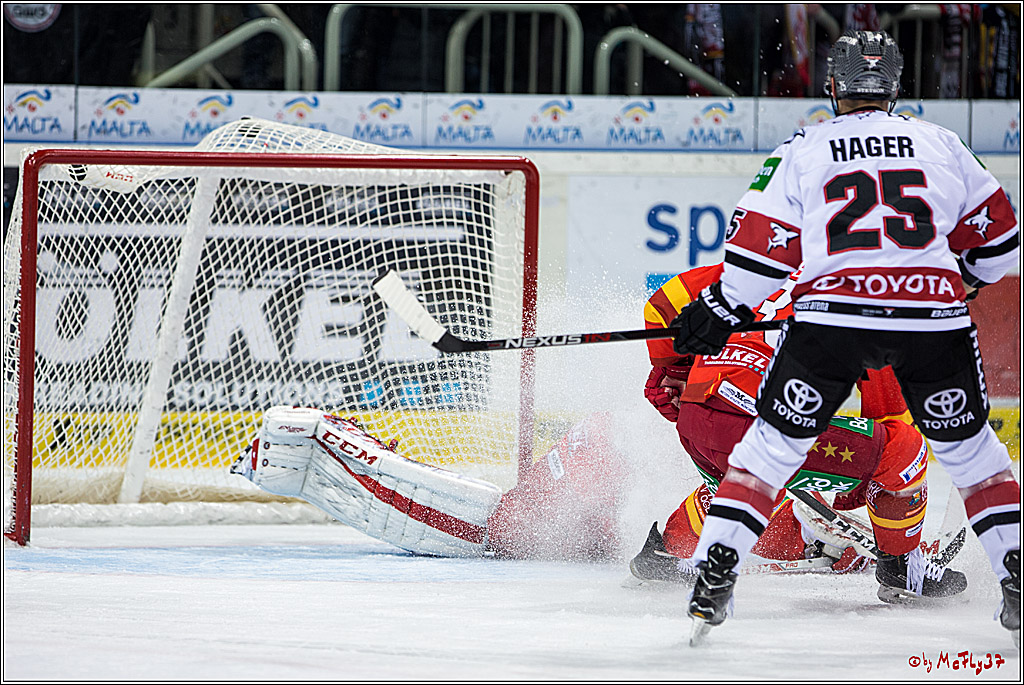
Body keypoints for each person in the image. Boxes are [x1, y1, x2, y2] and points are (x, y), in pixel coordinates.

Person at [668, 29, 1020, 645]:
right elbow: (1002, 244)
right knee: (973, 454)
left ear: (832, 87)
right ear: (895, 88)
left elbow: (756, 250)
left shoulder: (803, 148)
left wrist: (721, 308)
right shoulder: (943, 143)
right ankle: (1014, 578)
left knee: (771, 450)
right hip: (930, 318)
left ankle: (715, 573)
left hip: (832, 317)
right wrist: (952, 281)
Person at [632, 263, 947, 586]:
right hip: (761, 426)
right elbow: (890, 429)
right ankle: (904, 570)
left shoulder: (771, 266)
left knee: (743, 483)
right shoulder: (876, 303)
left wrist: (675, 371)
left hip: (696, 417)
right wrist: (869, 500)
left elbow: (661, 306)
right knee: (905, 450)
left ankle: (667, 552)